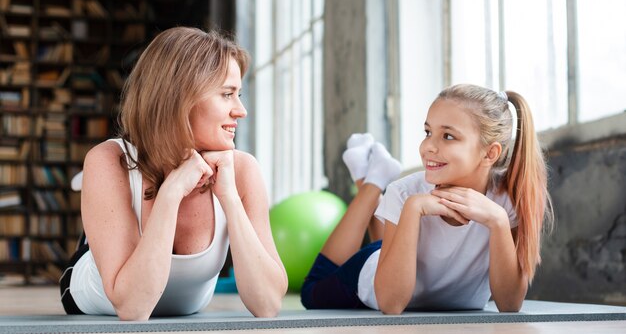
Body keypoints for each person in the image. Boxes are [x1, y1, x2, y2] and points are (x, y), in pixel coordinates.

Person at [59, 27, 288, 320]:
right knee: (111, 189)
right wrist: (171, 192)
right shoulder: (107, 160)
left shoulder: (242, 170)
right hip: (93, 290)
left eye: (238, 94)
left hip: (178, 301)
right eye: (227, 94)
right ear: (180, 99)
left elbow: (267, 305)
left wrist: (230, 197)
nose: (241, 110)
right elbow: (133, 308)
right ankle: (102, 207)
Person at [301, 84, 553, 314]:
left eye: (448, 136)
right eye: (427, 131)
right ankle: (371, 184)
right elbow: (391, 304)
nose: (428, 147)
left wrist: (497, 220)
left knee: (391, 243)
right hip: (378, 274)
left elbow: (509, 305)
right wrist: (412, 208)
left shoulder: (507, 200)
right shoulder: (404, 193)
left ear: (490, 153)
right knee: (311, 291)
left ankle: (370, 179)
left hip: (412, 257)